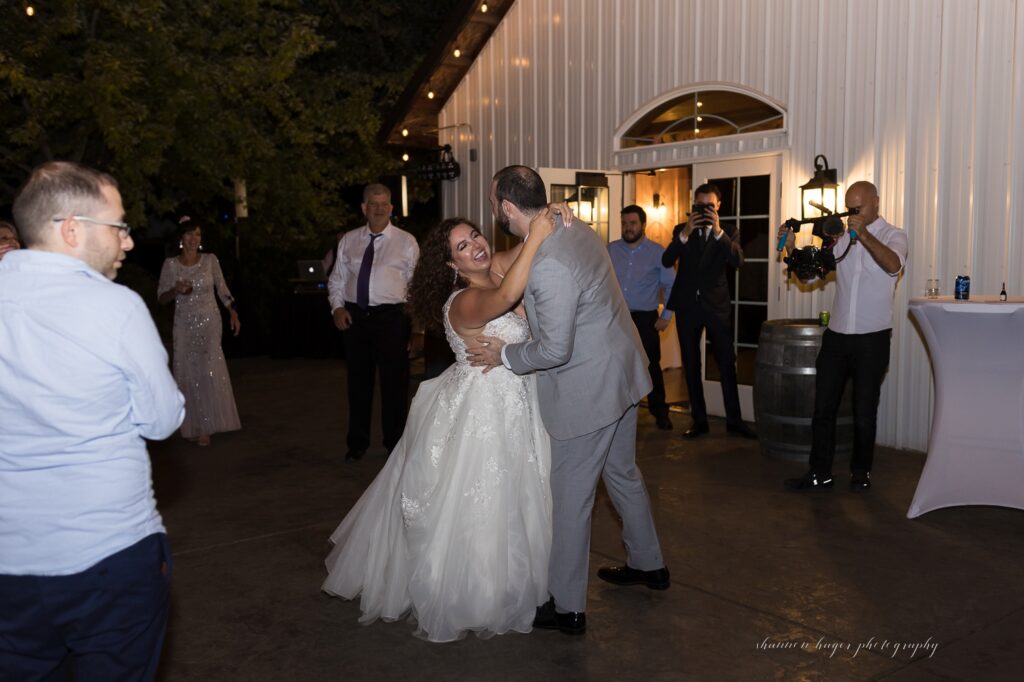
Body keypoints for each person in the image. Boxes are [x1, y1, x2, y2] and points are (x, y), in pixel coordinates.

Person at [322, 212, 558, 642]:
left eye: (475, 236)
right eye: (462, 248)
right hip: (483, 409)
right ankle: (481, 592)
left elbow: (517, 254)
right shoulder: (465, 300)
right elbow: (509, 294)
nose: (476, 247)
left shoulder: (495, 269)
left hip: (518, 399)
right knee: (486, 497)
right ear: (451, 265)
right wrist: (540, 235)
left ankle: (524, 579)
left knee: (523, 493)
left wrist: (540, 222)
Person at [0, 161, 185, 680]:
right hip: (107, 556)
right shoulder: (115, 308)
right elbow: (162, 420)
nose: (127, 243)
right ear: (72, 229)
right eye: (118, 227)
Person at [469, 166, 669, 636]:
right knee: (622, 473)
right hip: (621, 373)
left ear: (508, 208)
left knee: (571, 500)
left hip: (589, 389)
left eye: (495, 201)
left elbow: (555, 350)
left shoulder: (550, 262)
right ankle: (649, 564)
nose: (494, 208)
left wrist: (507, 354)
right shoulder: (572, 224)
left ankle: (567, 607)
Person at [781, 181, 908, 493]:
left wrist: (862, 235)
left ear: (876, 202)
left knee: (864, 412)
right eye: (849, 207)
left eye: (858, 208)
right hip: (837, 337)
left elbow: (894, 266)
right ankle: (819, 472)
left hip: (872, 339)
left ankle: (860, 472)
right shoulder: (840, 241)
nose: (852, 213)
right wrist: (790, 247)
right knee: (823, 409)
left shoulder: (895, 235)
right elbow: (810, 276)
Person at [327, 183, 419, 460]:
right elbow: (337, 280)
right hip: (355, 318)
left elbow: (416, 288)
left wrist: (418, 329)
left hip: (392, 318)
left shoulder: (407, 242)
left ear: (391, 208)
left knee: (394, 384)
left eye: (384, 204)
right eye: (373, 204)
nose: (379, 209)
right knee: (357, 383)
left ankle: (394, 444)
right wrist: (337, 308)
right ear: (364, 208)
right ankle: (357, 443)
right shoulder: (349, 240)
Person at [661, 183, 757, 439]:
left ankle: (734, 421)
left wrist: (717, 232)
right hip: (688, 307)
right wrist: (685, 234)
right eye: (699, 206)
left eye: (709, 206)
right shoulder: (681, 230)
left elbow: (737, 260)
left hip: (717, 306)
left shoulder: (729, 231)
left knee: (727, 364)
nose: (704, 210)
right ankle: (699, 420)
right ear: (692, 205)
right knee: (691, 365)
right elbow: (666, 261)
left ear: (718, 207)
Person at [158, 216, 241, 447]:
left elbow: (222, 289)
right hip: (183, 324)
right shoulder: (171, 265)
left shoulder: (210, 260)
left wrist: (232, 312)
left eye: (197, 234)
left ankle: (206, 425)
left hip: (209, 321)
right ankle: (192, 423)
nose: (194, 238)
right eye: (189, 234)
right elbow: (162, 297)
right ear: (181, 238)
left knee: (207, 370)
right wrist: (175, 289)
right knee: (187, 372)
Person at [609, 205, 677, 430]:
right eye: (625, 224)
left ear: (643, 225)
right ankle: (617, 412)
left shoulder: (658, 252)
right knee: (616, 366)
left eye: (633, 223)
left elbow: (671, 285)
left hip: (646, 319)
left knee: (651, 367)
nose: (628, 228)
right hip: (617, 319)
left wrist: (666, 316)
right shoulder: (611, 250)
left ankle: (660, 412)